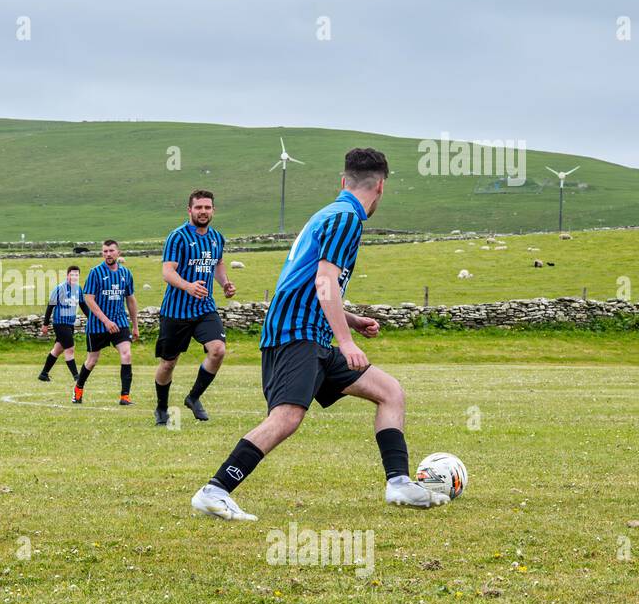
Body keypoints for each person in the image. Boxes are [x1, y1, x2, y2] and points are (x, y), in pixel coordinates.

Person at [190, 148, 449, 522]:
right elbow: (325, 281)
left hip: (311, 332)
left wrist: (351, 320)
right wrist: (346, 342)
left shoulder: (331, 214)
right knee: (287, 417)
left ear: (344, 181)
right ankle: (215, 490)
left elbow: (311, 287)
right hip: (297, 333)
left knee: (390, 392)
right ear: (380, 186)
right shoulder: (347, 219)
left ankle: (398, 483)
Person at [153, 189, 235, 425]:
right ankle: (161, 408)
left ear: (213, 210)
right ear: (189, 210)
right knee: (168, 363)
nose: (203, 211)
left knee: (218, 350)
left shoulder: (217, 238)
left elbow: (217, 264)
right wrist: (188, 286)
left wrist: (225, 283)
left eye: (207, 207)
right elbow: (167, 272)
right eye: (198, 207)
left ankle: (194, 397)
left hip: (204, 309)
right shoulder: (177, 237)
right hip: (176, 311)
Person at [73, 240, 139, 406]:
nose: (108, 254)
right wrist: (105, 321)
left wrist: (135, 325)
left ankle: (125, 397)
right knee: (92, 360)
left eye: (111, 251)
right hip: (97, 324)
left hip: (120, 322)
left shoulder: (126, 273)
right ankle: (78, 389)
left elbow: (130, 300)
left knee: (127, 354)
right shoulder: (95, 272)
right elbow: (88, 298)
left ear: (118, 252)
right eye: (105, 251)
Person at [38, 265, 85, 382]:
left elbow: (83, 305)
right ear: (67, 275)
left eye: (76, 275)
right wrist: (45, 324)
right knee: (70, 349)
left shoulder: (78, 289)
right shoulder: (59, 289)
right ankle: (77, 377)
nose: (74, 277)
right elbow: (50, 306)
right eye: (72, 274)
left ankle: (44, 374)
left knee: (57, 349)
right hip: (60, 324)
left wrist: (93, 318)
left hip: (70, 324)